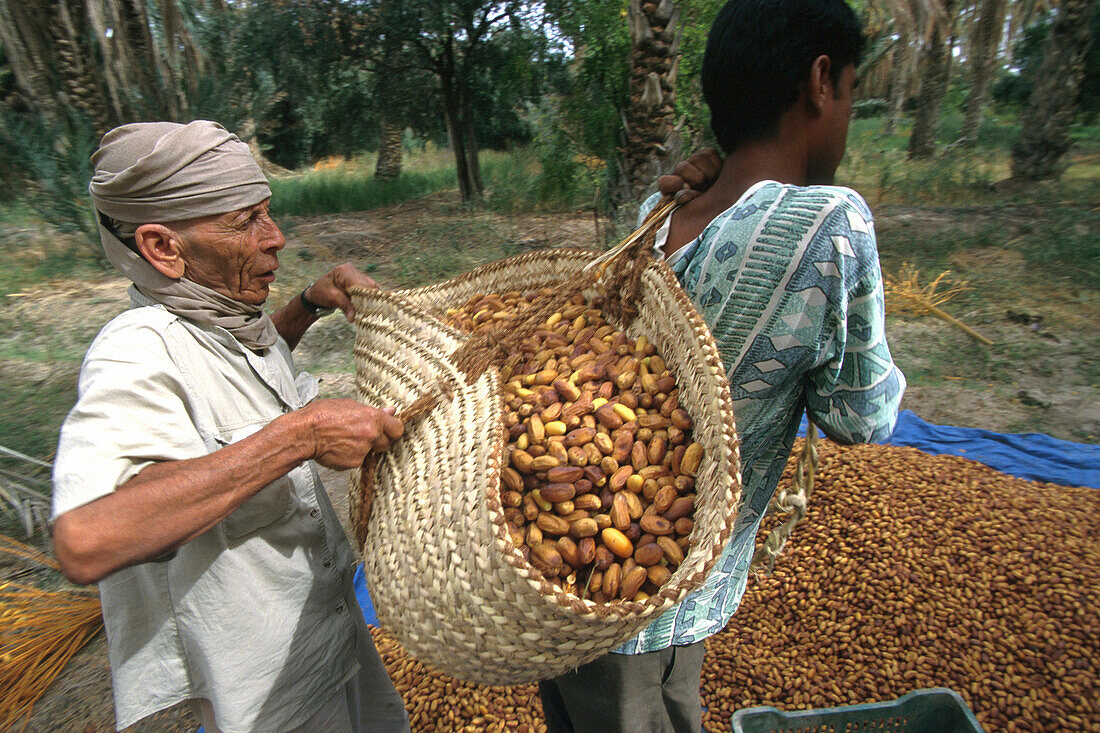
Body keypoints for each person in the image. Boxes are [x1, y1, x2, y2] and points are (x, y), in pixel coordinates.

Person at [538, 0, 906, 730]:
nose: (848, 120)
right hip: (650, 615)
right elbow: (859, 416)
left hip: (559, 585)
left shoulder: (660, 209)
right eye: (853, 97)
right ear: (820, 80)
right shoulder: (831, 221)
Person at [50, 120, 411, 733]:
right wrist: (301, 436)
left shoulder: (226, 316)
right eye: (246, 221)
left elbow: (240, 387)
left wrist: (306, 306)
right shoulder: (136, 349)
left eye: (268, 214)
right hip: (266, 683)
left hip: (327, 630)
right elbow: (86, 540)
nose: (276, 238)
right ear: (164, 248)